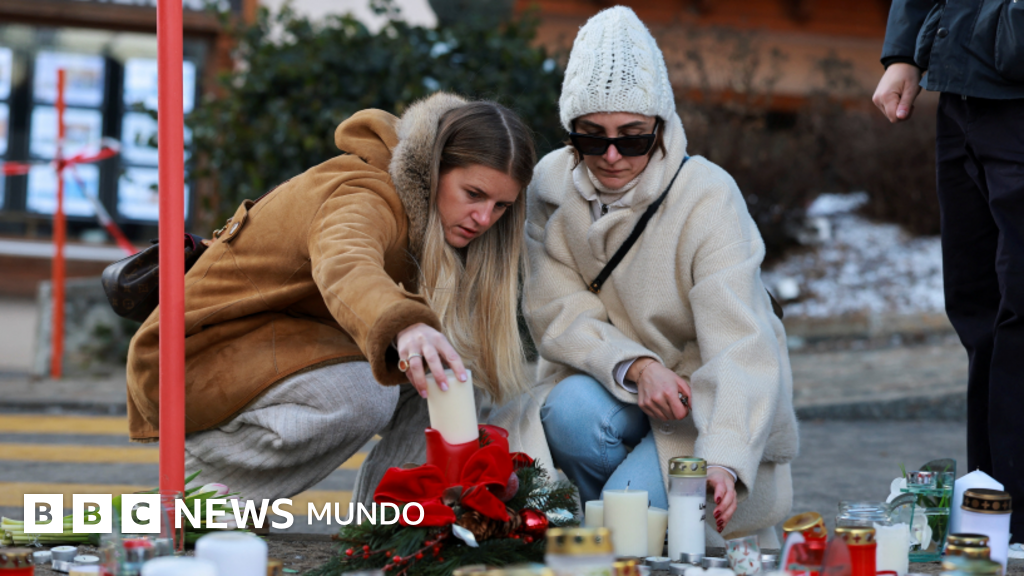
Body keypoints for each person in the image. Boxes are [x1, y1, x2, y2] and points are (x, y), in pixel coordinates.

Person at [126, 92, 536, 506]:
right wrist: (406, 325)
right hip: (193, 355)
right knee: (361, 395)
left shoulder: (440, 219)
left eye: (501, 206)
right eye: (474, 194)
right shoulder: (363, 193)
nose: (485, 219)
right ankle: (195, 491)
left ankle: (393, 523)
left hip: (283, 346)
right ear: (434, 169)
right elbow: (346, 264)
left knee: (454, 373)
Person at [491, 6, 798, 546]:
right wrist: (634, 365)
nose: (611, 156)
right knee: (567, 412)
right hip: (616, 390)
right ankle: (640, 530)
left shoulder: (707, 195)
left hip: (700, 405)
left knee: (615, 528)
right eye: (592, 137)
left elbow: (741, 343)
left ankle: (632, 527)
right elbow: (554, 310)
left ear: (660, 126)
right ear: (570, 132)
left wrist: (725, 458)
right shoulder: (549, 188)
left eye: (632, 138)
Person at [872, 0, 1024, 540]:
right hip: (961, 86)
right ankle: (991, 519)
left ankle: (1014, 530)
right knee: (976, 310)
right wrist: (906, 50)